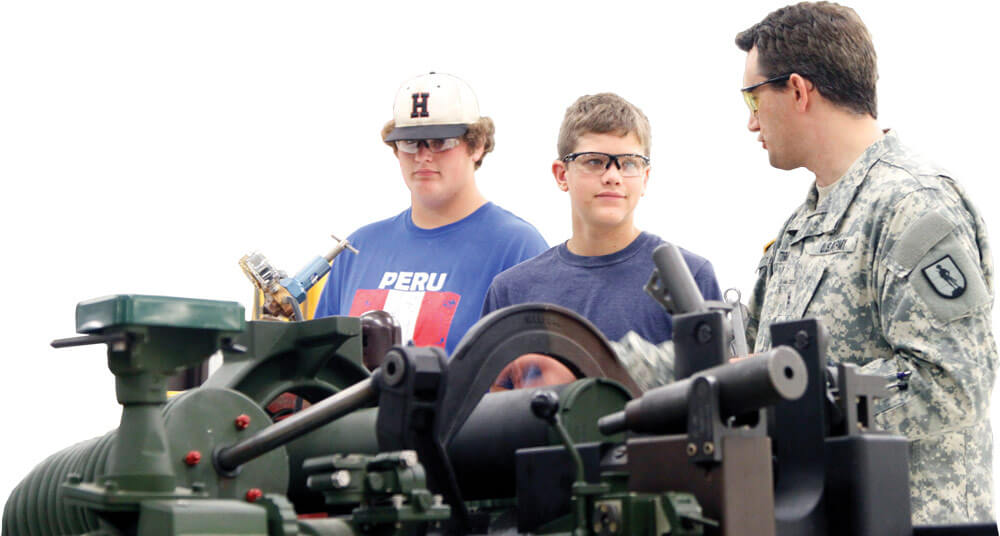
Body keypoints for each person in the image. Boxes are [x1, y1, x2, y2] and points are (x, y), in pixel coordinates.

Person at [734, 2, 997, 524]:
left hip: (914, 524)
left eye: (753, 97)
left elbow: (952, 382)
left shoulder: (913, 205)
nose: (749, 122)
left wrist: (797, 396)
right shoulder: (800, 228)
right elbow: (742, 352)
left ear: (798, 90)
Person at [482, 93, 721, 389]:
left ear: (645, 177)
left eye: (629, 163)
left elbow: (713, 394)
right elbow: (490, 406)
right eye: (594, 161)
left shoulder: (689, 277)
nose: (613, 176)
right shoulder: (512, 291)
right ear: (561, 174)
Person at [314, 72, 547, 355]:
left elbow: (535, 378)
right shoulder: (358, 249)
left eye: (440, 142)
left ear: (476, 146)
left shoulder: (517, 247)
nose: (423, 156)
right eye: (410, 143)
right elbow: (319, 369)